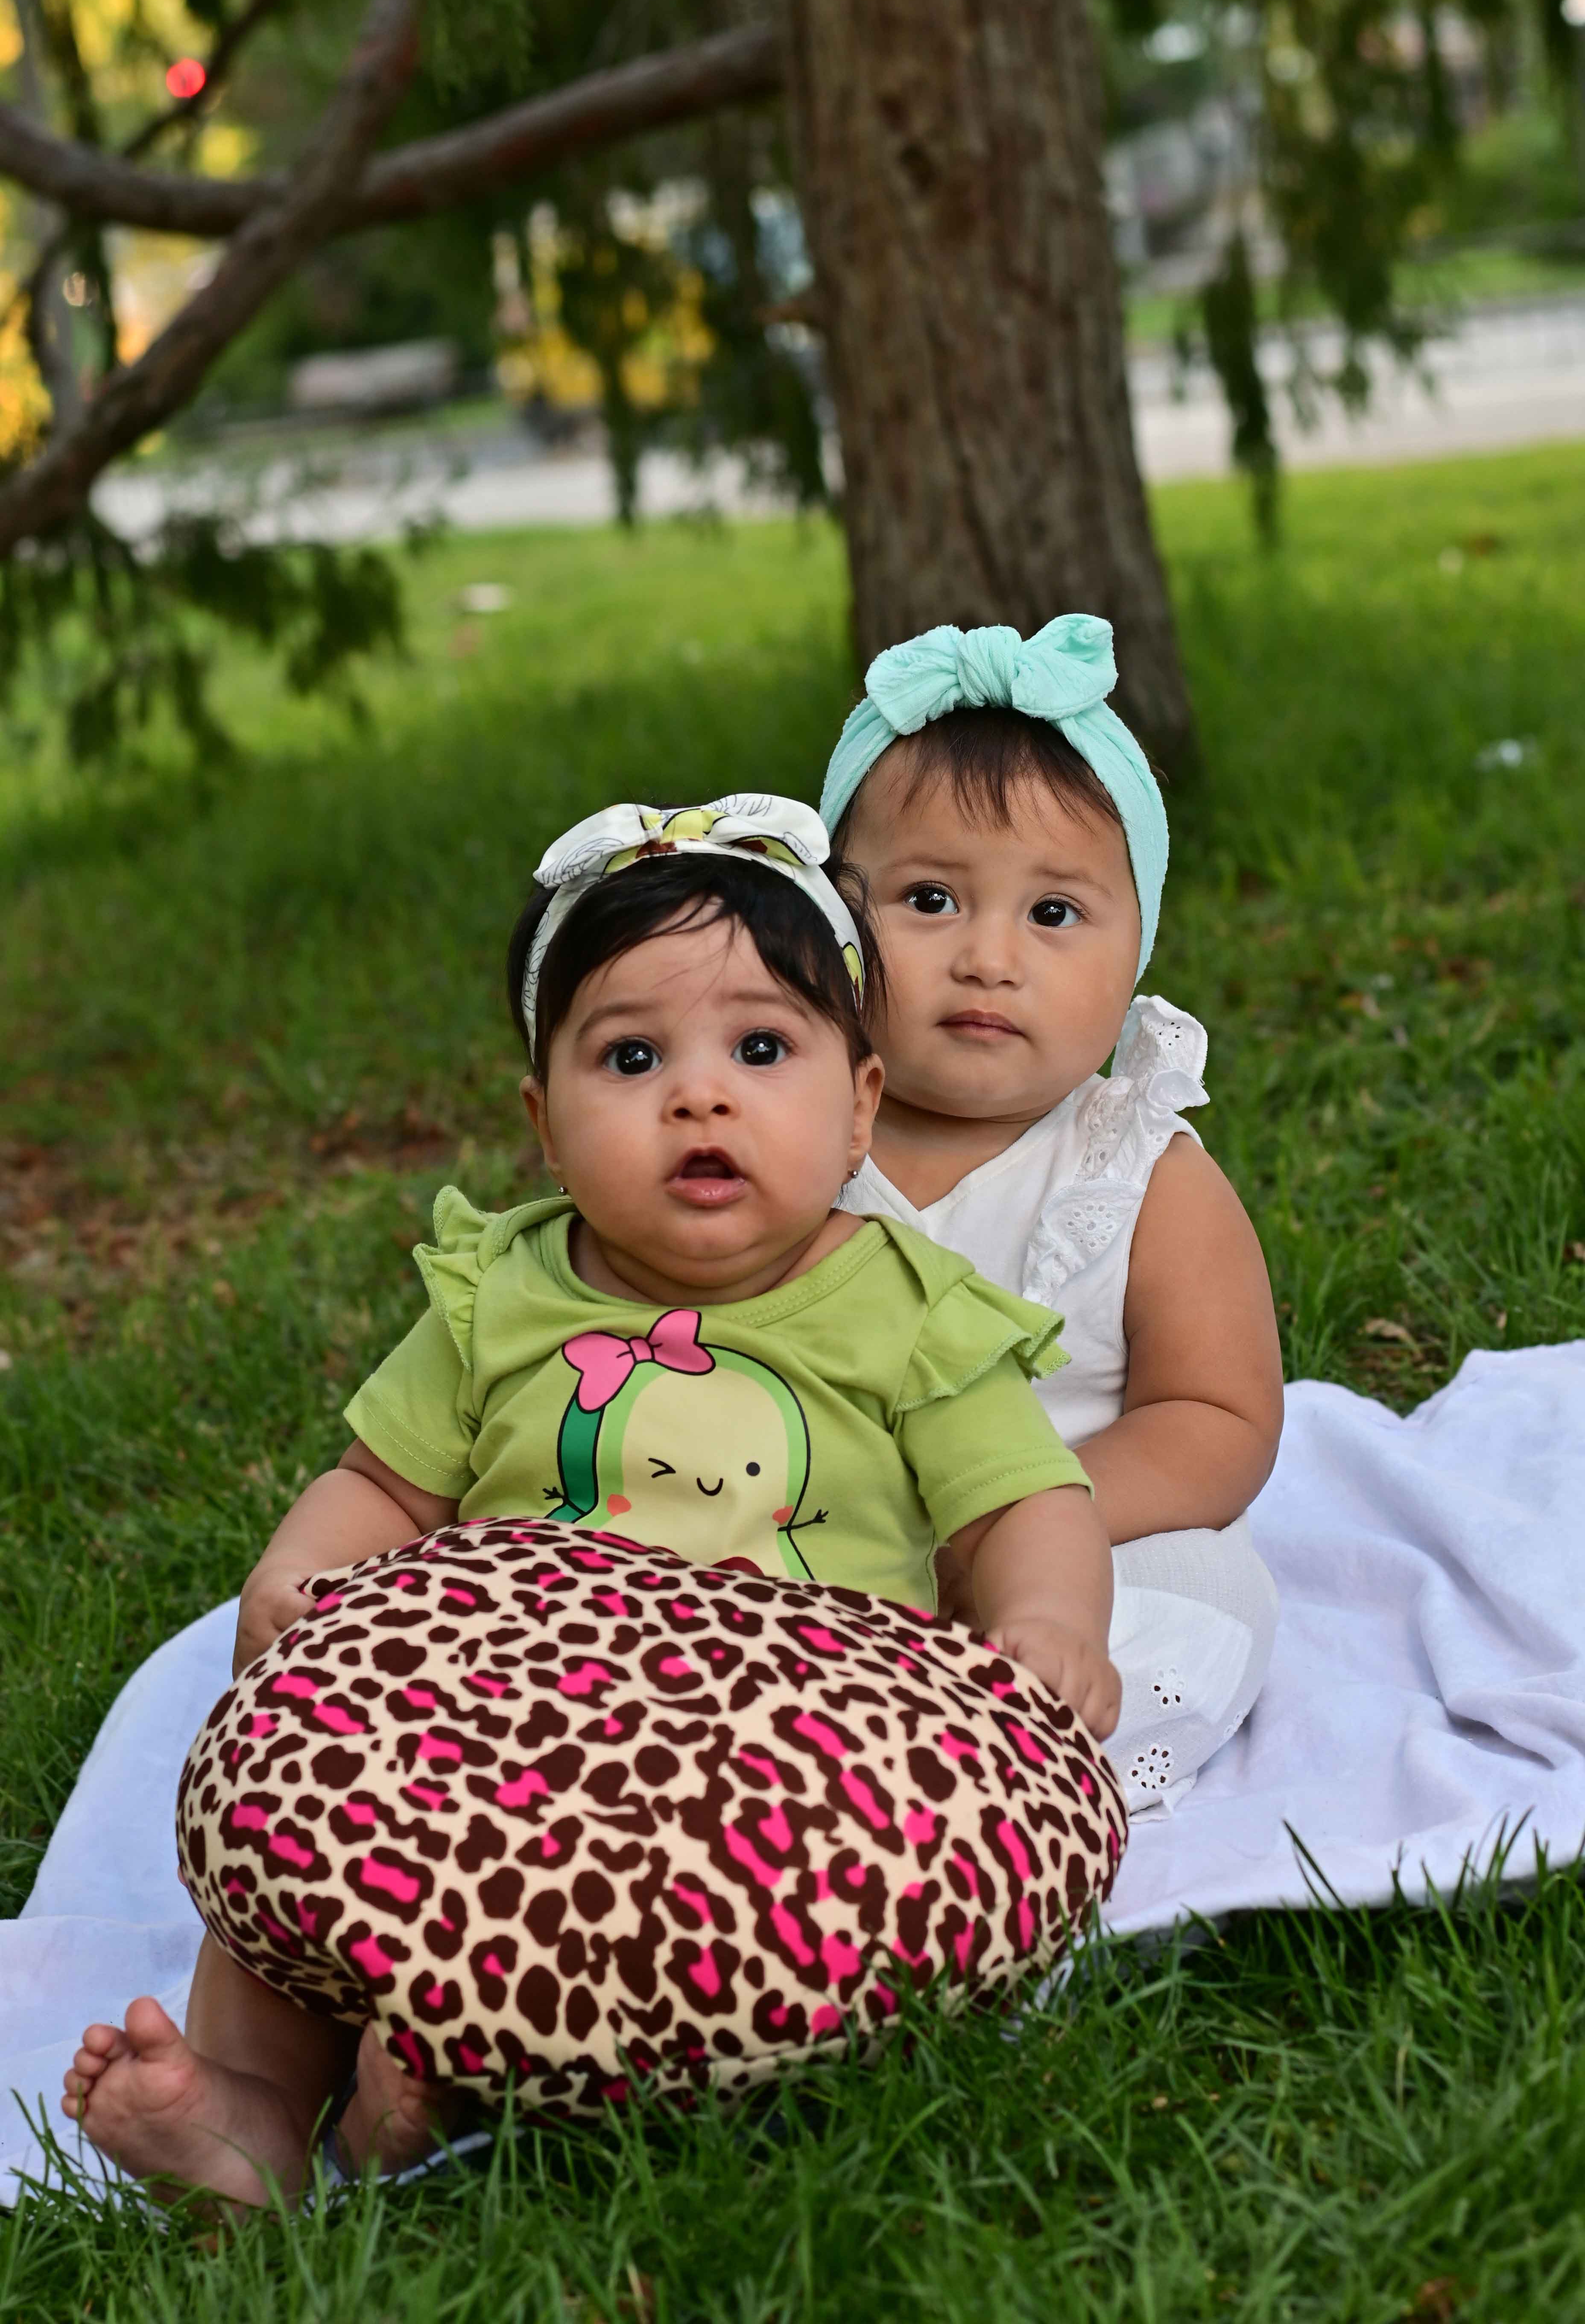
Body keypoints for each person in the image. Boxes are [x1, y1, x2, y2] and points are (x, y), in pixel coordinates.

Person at [62, 793, 1127, 2211]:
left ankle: (442, 2095)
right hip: (496, 1705)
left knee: (758, 1896)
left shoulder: (912, 1308)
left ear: (861, 1106)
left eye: (762, 1050)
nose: (700, 1096)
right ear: (544, 1126)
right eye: (632, 1058)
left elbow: (1023, 1502)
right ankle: (252, 2112)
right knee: (299, 1813)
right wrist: (302, 1575)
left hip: (770, 1731)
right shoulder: (499, 1294)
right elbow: (381, 1484)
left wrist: (1050, 1623)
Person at [820, 615, 1286, 1811]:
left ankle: (1024, 1785)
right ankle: (823, 1768)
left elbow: (1218, 1416)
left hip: (1087, 1536)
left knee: (1205, 1602)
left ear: (1137, 956)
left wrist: (1032, 1518)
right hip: (816, 1541)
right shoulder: (795, 1140)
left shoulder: (1136, 1174)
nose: (990, 957)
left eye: (1055, 915)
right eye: (930, 898)